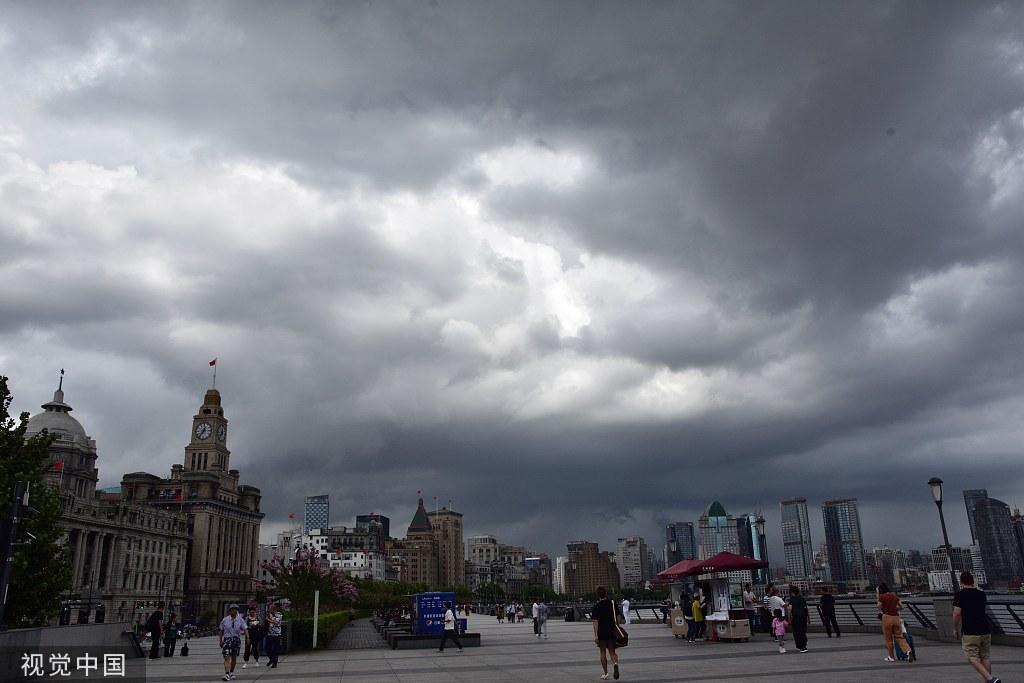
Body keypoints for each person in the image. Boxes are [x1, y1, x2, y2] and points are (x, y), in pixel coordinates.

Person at [953, 571, 1000, 683]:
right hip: (985, 629)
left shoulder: (960, 595)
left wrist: (955, 628)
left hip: (970, 631)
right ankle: (988, 681)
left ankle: (990, 679)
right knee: (985, 657)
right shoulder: (981, 594)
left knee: (972, 657)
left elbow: (957, 613)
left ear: (961, 581)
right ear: (973, 581)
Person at [876, 583, 912, 662]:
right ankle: (908, 651)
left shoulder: (882, 597)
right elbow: (901, 607)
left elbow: (879, 606)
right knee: (899, 637)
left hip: (887, 617)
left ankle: (891, 656)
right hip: (896, 618)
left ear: (880, 590)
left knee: (888, 639)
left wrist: (879, 599)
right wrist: (895, 608)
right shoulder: (895, 596)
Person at [591, 586, 620, 681]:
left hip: (602, 632)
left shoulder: (596, 606)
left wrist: (596, 635)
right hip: (611, 630)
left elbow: (595, 622)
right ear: (606, 593)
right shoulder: (612, 603)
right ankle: (615, 664)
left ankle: (606, 673)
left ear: (597, 595)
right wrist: (617, 627)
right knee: (612, 651)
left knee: (602, 651)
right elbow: (618, 616)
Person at [219, 604, 249, 681]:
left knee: (234, 657)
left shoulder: (240, 620)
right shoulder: (225, 620)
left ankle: (231, 672)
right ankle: (227, 673)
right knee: (226, 657)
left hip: (236, 640)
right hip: (227, 640)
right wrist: (221, 640)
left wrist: (247, 637)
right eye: (233, 609)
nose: (235, 611)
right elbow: (221, 630)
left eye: (236, 609)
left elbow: (245, 629)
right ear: (229, 611)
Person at [787, 585, 809, 653]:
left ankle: (801, 646)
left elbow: (789, 610)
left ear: (792, 592)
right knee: (802, 631)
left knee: (797, 632)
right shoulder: (802, 598)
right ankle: (804, 645)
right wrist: (808, 618)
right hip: (803, 617)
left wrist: (789, 619)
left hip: (795, 618)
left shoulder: (792, 599)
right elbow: (806, 609)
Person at [264, 603, 283, 669]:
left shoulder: (279, 614)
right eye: (269, 608)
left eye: (271, 608)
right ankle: (271, 659)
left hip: (276, 634)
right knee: (267, 648)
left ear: (274, 609)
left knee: (275, 649)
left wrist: (267, 619)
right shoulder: (268, 615)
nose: (269, 610)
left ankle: (275, 663)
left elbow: (276, 622)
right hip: (269, 634)